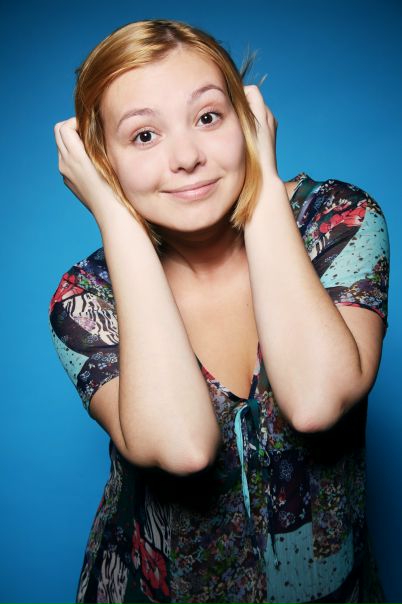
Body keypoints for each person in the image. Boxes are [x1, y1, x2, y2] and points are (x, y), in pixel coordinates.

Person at [49, 18, 390, 604]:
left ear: (247, 119)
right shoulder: (86, 298)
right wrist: (115, 218)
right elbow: (183, 447)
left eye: (208, 117)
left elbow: (315, 401)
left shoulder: (336, 221)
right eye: (144, 136)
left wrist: (260, 182)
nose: (187, 157)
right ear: (102, 162)